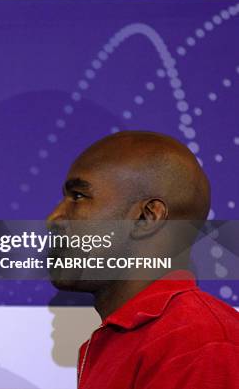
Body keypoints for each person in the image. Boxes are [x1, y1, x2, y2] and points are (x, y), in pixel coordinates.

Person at [46, 131, 239, 389]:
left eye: (79, 196)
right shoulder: (123, 340)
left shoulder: (199, 343)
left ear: (147, 217)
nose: (54, 218)